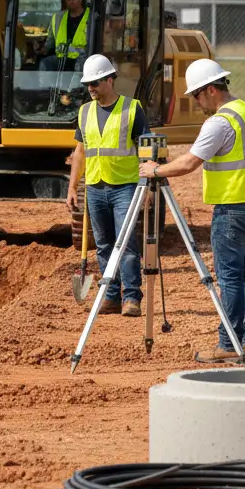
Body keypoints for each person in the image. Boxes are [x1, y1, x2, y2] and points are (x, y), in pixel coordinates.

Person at [139, 58, 245, 363]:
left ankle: (228, 344)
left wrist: (155, 170)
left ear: (212, 90)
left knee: (229, 278)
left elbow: (189, 162)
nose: (197, 102)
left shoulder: (219, 122)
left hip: (233, 210)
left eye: (197, 95)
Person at [66, 54, 148, 317]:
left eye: (95, 82)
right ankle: (111, 295)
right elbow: (80, 151)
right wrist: (72, 186)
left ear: (110, 80)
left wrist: (148, 187)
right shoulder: (84, 111)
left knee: (125, 243)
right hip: (95, 188)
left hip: (125, 186)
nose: (90, 88)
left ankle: (131, 297)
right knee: (102, 244)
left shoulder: (132, 108)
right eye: (88, 83)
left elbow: (147, 150)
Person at [39, 0, 89, 72]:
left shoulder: (91, 18)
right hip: (61, 60)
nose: (71, 1)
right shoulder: (57, 18)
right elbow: (50, 43)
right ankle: (44, 87)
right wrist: (41, 50)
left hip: (83, 61)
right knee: (45, 63)